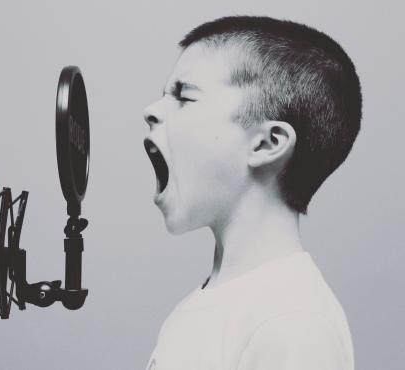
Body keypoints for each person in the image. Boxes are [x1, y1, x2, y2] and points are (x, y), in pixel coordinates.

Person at [142, 16, 361, 370]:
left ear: (266, 143)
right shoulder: (197, 309)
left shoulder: (293, 323)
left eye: (183, 96)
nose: (150, 111)